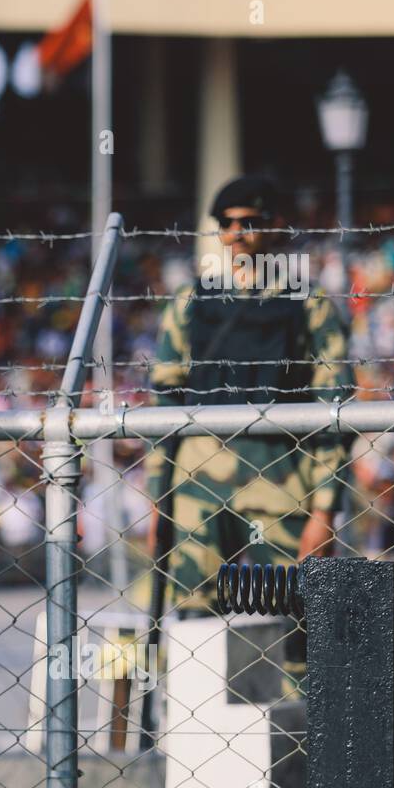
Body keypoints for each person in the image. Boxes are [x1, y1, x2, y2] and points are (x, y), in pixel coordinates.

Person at [145, 175, 355, 697]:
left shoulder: (309, 303)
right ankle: (197, 750)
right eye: (228, 224)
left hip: (280, 477)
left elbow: (334, 410)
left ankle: (299, 759)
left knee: (291, 624)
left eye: (252, 222)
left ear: (278, 227)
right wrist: (158, 498)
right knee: (193, 620)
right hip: (197, 480)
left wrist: (326, 510)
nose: (238, 234)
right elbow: (164, 398)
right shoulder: (191, 300)